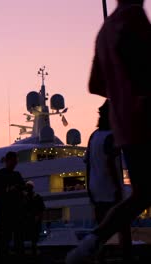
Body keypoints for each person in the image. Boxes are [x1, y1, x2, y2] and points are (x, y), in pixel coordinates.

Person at [66, 1, 151, 263]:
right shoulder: (133, 17)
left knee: (142, 195)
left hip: (124, 125)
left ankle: (92, 241)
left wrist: (121, 93)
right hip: (146, 118)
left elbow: (94, 85)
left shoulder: (105, 30)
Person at [82, 100, 132, 263]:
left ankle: (99, 257)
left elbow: (88, 164)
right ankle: (126, 256)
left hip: (96, 189)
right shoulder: (111, 137)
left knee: (101, 228)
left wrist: (89, 187)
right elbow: (111, 163)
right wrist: (118, 188)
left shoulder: (93, 136)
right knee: (123, 226)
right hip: (110, 189)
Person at [0, 151, 26, 258]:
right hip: (7, 211)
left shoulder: (15, 175)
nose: (16, 163)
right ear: (8, 160)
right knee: (8, 237)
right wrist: (7, 191)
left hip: (13, 211)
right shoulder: (1, 174)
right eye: (14, 161)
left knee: (12, 237)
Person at [23, 181, 45, 256]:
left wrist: (38, 217)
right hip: (28, 221)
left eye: (29, 187)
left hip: (34, 221)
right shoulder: (24, 197)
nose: (28, 188)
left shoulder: (36, 197)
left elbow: (41, 209)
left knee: (34, 239)